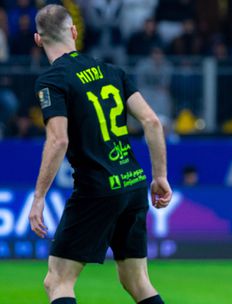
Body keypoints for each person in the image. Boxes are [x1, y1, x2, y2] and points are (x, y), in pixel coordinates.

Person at [27, 5, 171, 304]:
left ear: (38, 40)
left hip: (97, 188)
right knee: (137, 281)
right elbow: (152, 121)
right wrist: (159, 177)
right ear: (74, 32)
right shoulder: (112, 71)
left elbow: (58, 140)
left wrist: (39, 197)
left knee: (58, 281)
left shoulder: (52, 81)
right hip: (132, 184)